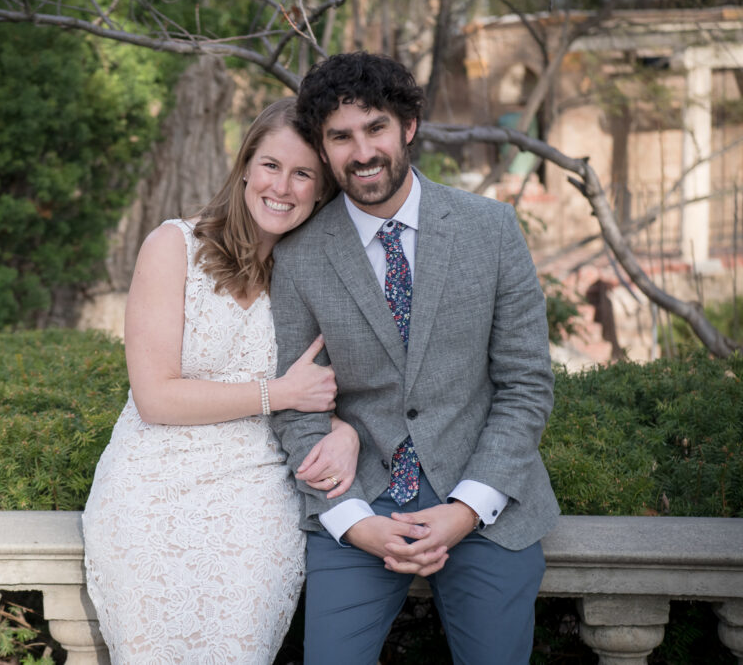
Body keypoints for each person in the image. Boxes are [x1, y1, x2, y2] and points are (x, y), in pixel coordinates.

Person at [269, 52, 560, 664]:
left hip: (484, 499)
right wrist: (352, 520)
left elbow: (526, 384)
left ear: (409, 126)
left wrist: (466, 509)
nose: (362, 151)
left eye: (375, 127)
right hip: (360, 495)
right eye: (340, 137)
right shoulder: (298, 256)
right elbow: (295, 407)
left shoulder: (491, 229)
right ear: (323, 150)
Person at [82, 97, 357, 664]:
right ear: (245, 167)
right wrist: (274, 394)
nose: (283, 186)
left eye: (303, 173)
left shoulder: (316, 276)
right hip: (149, 490)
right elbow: (154, 396)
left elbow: (346, 388)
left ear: (321, 189)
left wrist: (346, 431)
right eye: (271, 166)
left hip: (257, 494)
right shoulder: (173, 246)